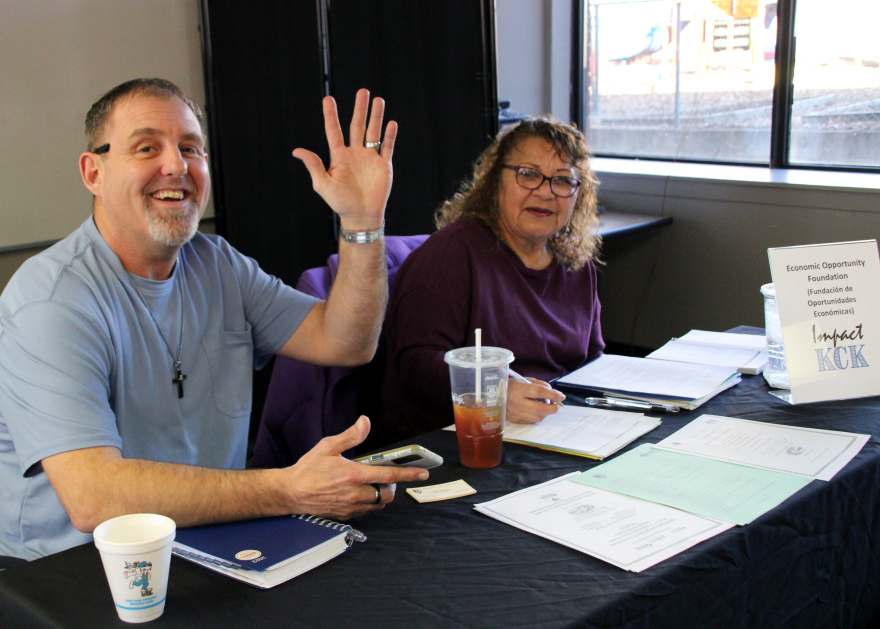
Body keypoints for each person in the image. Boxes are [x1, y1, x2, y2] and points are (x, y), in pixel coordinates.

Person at [0, 78, 429, 561]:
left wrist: (362, 222)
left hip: (207, 543)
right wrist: (288, 489)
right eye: (146, 148)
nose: (176, 166)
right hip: (71, 573)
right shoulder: (50, 302)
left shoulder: (217, 263)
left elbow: (345, 342)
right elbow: (93, 498)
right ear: (93, 172)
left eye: (191, 148)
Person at [382, 116, 604, 437]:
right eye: (528, 174)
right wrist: (494, 393)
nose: (546, 192)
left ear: (578, 195)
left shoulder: (578, 264)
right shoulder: (451, 256)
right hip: (468, 435)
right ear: (495, 180)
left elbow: (592, 361)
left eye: (563, 181)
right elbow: (417, 367)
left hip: (561, 427)